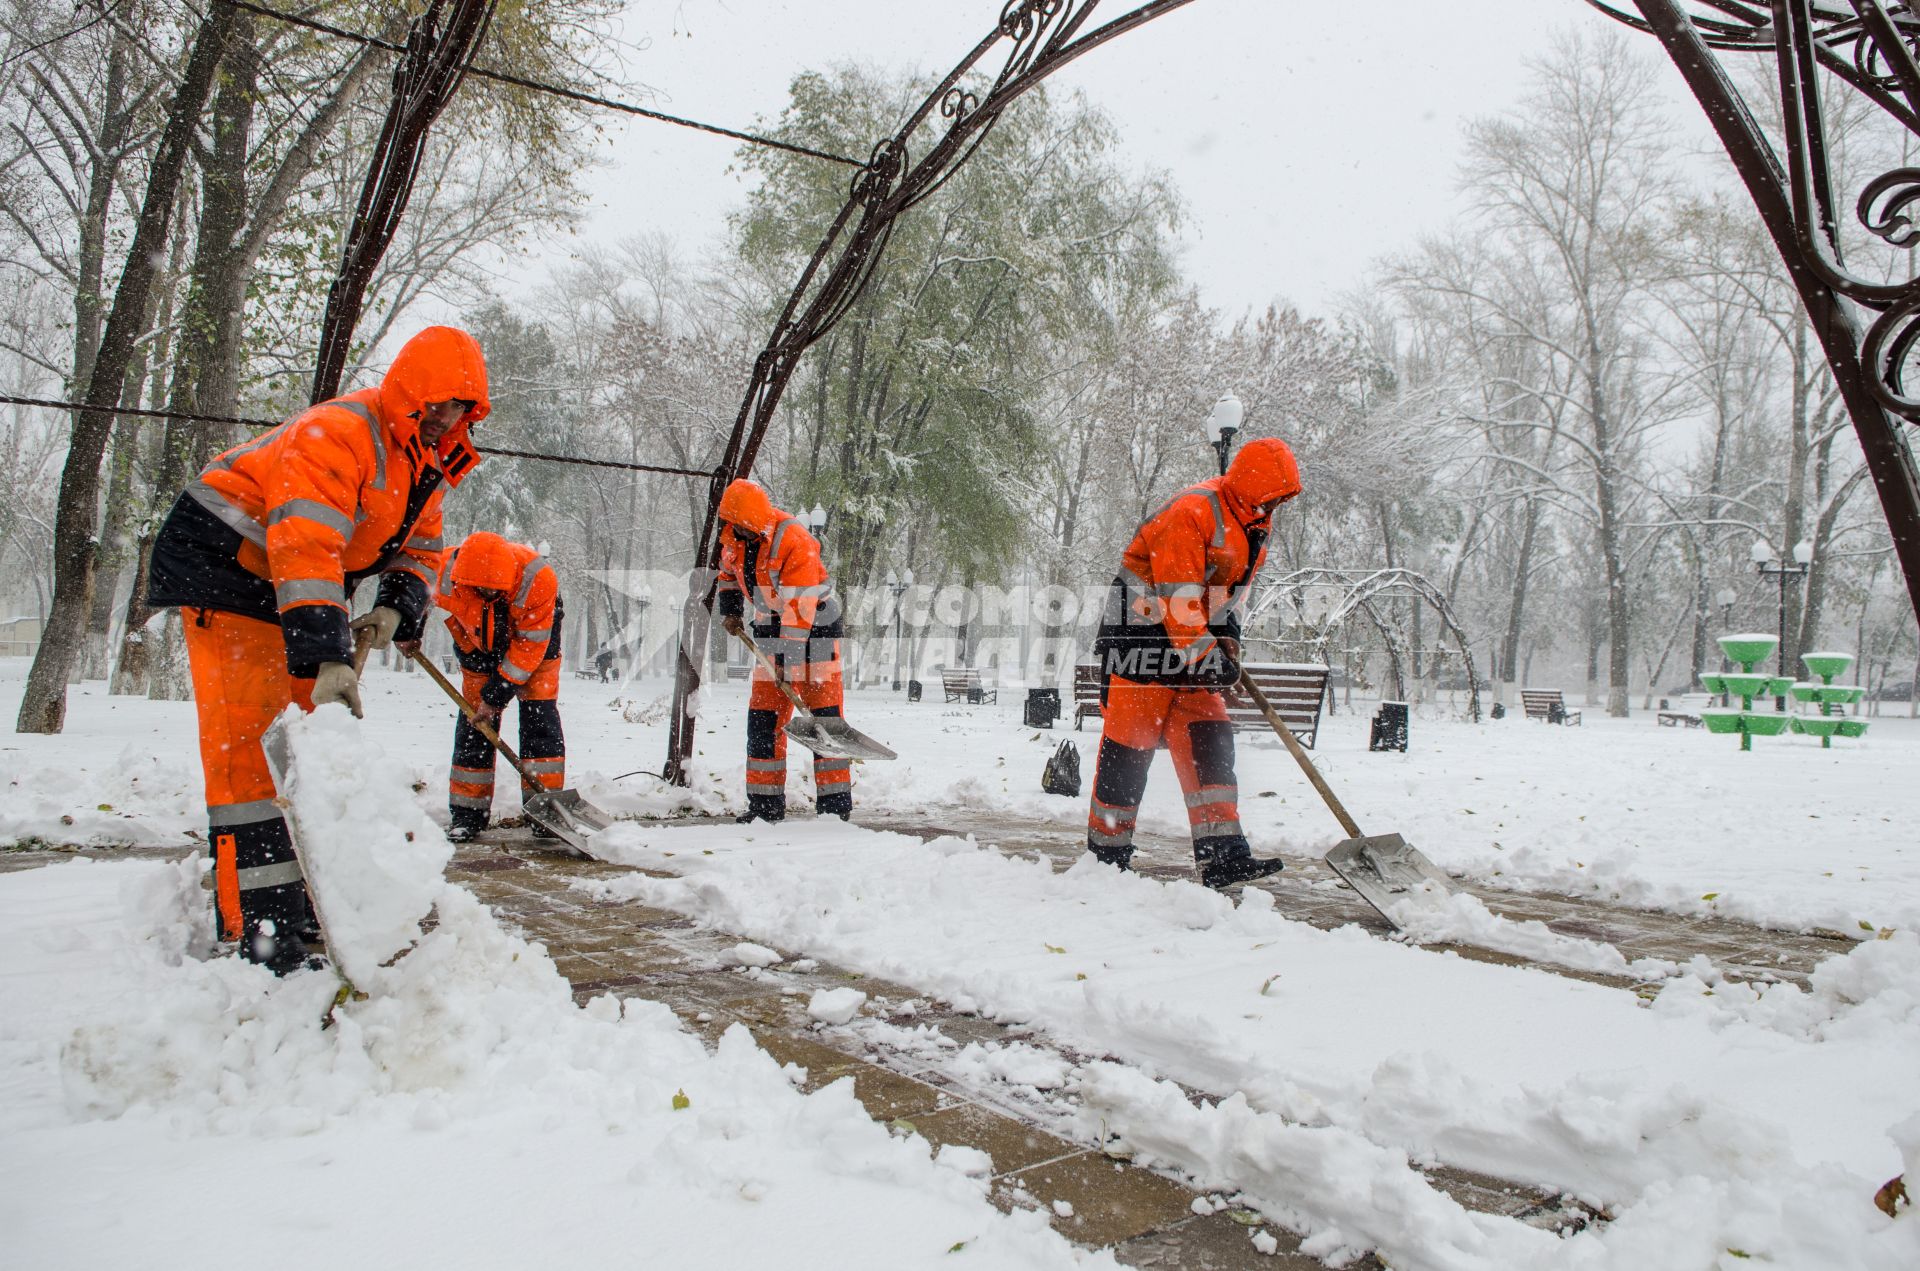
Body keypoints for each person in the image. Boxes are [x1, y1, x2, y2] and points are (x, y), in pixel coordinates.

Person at [146, 325, 488, 972]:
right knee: (250, 752)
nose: (448, 419)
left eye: (461, 409)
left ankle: (302, 900)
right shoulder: (340, 432)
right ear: (412, 392)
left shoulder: (432, 461)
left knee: (305, 749)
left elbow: (421, 547)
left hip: (291, 588)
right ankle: (261, 925)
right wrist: (328, 654)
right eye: (440, 403)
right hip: (225, 564)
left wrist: (396, 604)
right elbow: (305, 545)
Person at [1085, 437, 1302, 888]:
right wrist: (1206, 654)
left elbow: (1228, 592)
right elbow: (1177, 595)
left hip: (1189, 642)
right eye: (1271, 496)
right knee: (1130, 749)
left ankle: (1223, 855)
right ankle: (1106, 857)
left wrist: (1228, 639)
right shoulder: (1192, 512)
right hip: (1137, 641)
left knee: (1210, 741)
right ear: (1250, 486)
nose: (1275, 505)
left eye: (1280, 498)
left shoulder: (1255, 524)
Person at [712, 479, 850, 822]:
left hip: (815, 629)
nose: (737, 531)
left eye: (743, 525)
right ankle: (764, 806)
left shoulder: (794, 540)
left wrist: (788, 661)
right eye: (733, 525)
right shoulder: (732, 540)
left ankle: (834, 808)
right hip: (770, 630)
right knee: (763, 719)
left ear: (756, 521)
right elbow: (727, 576)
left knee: (824, 719)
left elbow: (800, 609)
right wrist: (730, 610)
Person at [435, 531, 565, 842]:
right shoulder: (444, 571)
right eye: (482, 590)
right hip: (476, 646)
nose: (489, 594)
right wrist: (405, 627)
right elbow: (411, 590)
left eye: (496, 591)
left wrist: (496, 696)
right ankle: (467, 813)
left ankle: (544, 811)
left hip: (536, 645)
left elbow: (526, 653)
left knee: (539, 721)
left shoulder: (538, 580)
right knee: (475, 725)